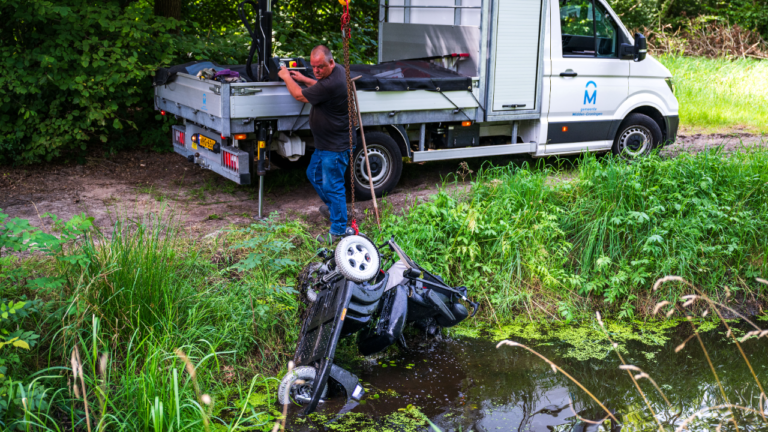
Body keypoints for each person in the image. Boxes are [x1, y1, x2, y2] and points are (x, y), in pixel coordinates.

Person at [277, 45, 353, 244]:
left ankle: (338, 231)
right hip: (325, 144)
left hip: (335, 146)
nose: (316, 71)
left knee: (333, 185)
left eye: (320, 67)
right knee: (314, 174)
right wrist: (304, 79)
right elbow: (320, 87)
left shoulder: (333, 83)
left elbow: (299, 95)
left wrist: (286, 76)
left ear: (331, 62)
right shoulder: (337, 72)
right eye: (313, 67)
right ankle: (336, 209)